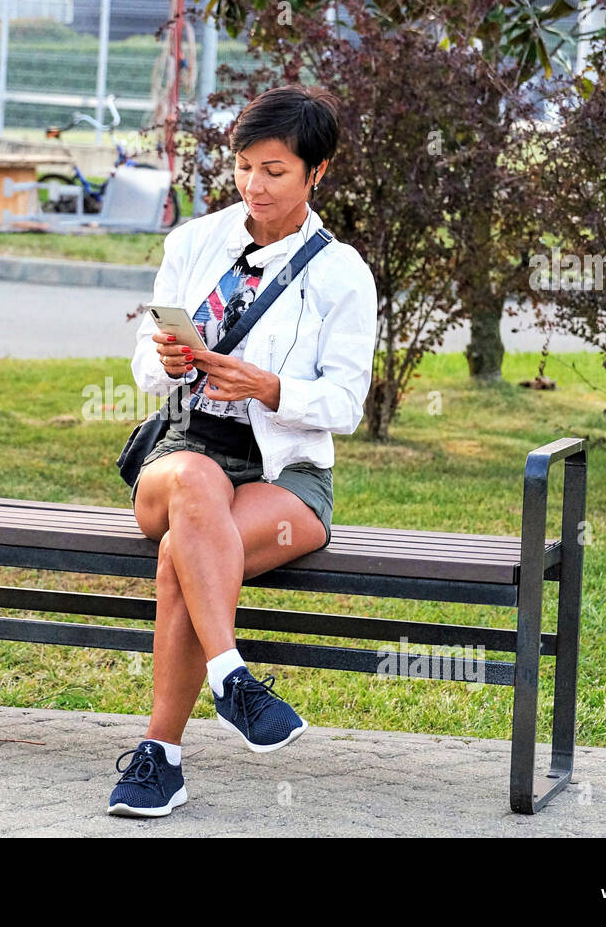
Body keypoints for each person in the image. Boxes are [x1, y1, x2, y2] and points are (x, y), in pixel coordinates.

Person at [108, 84, 378, 817]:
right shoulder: (194, 244)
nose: (254, 186)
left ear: (317, 173)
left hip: (286, 471)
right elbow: (141, 360)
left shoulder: (341, 273)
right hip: (184, 450)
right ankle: (233, 677)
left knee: (181, 556)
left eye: (276, 171)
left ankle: (160, 757)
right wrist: (162, 361)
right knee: (195, 488)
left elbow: (347, 404)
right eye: (244, 166)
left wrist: (269, 387)